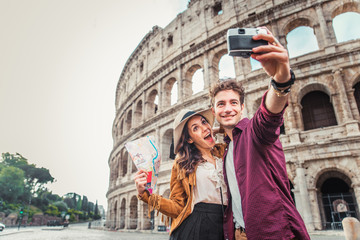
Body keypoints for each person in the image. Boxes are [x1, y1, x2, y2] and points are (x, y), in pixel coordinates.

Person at [210, 27, 310, 240]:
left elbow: (269, 114)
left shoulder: (254, 133)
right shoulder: (226, 149)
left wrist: (281, 80)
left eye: (233, 103)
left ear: (243, 107)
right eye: (221, 104)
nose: (227, 109)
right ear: (214, 111)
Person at [134, 108, 228, 240]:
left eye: (204, 122)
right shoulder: (182, 163)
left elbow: (240, 133)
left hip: (226, 224)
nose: (204, 128)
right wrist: (146, 195)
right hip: (195, 227)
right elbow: (178, 207)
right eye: (195, 128)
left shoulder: (223, 151)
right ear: (189, 139)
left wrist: (215, 129)